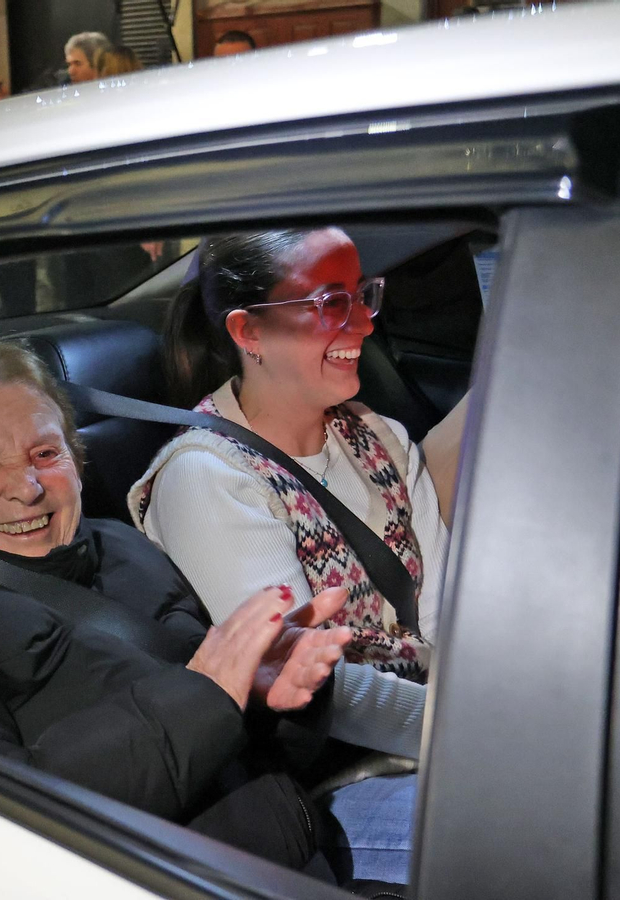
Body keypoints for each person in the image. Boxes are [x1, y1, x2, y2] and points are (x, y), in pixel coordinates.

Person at [0, 339, 356, 875]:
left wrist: (272, 698)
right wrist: (204, 696)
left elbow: (249, 756)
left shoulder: (119, 546)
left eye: (45, 454)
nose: (26, 488)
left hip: (305, 845)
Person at [130, 229, 450, 883]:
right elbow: (316, 691)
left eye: (363, 295)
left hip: (426, 741)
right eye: (331, 302)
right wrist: (468, 731)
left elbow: (445, 613)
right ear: (249, 333)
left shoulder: (378, 437)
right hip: (314, 786)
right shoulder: (208, 477)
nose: (361, 322)